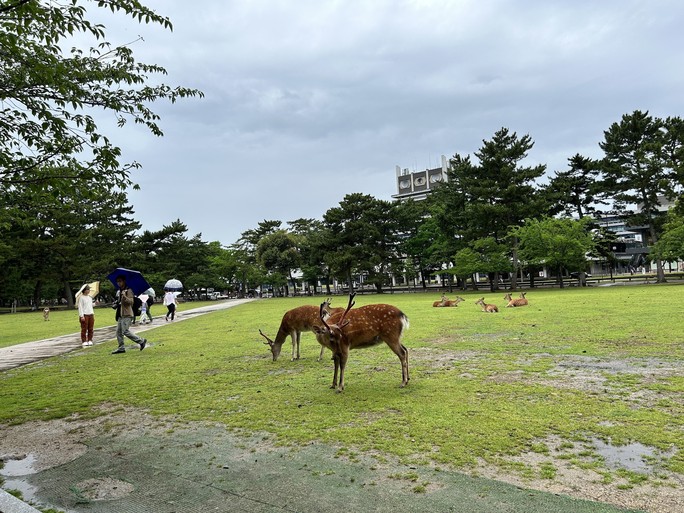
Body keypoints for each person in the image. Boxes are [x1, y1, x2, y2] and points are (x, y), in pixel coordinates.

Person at [112, 274, 148, 354]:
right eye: (117, 281)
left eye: (120, 281)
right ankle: (121, 348)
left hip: (127, 314)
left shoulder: (129, 290)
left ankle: (141, 341)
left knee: (125, 331)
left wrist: (125, 296)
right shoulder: (120, 290)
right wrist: (116, 303)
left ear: (124, 281)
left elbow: (131, 302)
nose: (118, 283)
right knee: (118, 332)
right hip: (121, 314)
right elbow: (119, 302)